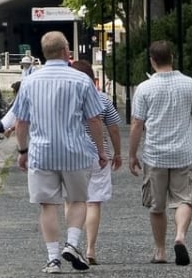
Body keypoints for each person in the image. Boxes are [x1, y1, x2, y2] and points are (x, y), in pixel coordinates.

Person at [10, 32, 112, 274]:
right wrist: (100, 151)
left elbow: (21, 123)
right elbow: (95, 120)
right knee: (78, 200)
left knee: (47, 206)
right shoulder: (81, 80)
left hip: (41, 152)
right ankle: (73, 244)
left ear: (43, 53)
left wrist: (23, 151)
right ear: (66, 51)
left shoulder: (29, 82)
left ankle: (53, 259)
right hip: (75, 151)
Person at [127, 41, 192, 266]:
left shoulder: (144, 88)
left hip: (155, 154)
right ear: (172, 57)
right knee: (185, 199)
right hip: (183, 152)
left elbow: (137, 124)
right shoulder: (190, 84)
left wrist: (132, 154)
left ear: (152, 60)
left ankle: (160, 251)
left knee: (156, 205)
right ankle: (180, 236)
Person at [69, 60, 124, 266]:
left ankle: (73, 244)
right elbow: (114, 128)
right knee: (93, 202)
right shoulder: (102, 99)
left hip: (72, 154)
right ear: (93, 77)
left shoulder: (67, 99)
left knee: (73, 200)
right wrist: (117, 153)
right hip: (97, 155)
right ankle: (91, 248)